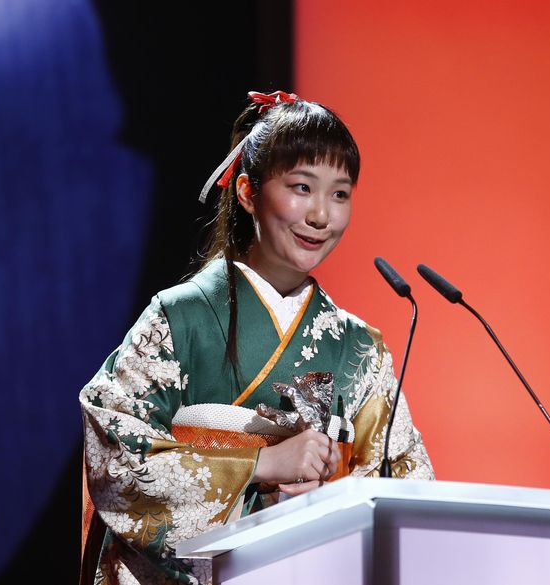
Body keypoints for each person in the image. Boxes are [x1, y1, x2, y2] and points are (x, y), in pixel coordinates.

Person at [79, 91, 433, 585]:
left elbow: (405, 490)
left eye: (339, 193)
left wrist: (328, 491)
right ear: (247, 192)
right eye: (301, 187)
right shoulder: (179, 318)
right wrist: (262, 463)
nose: (321, 216)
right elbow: (117, 456)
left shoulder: (360, 350)